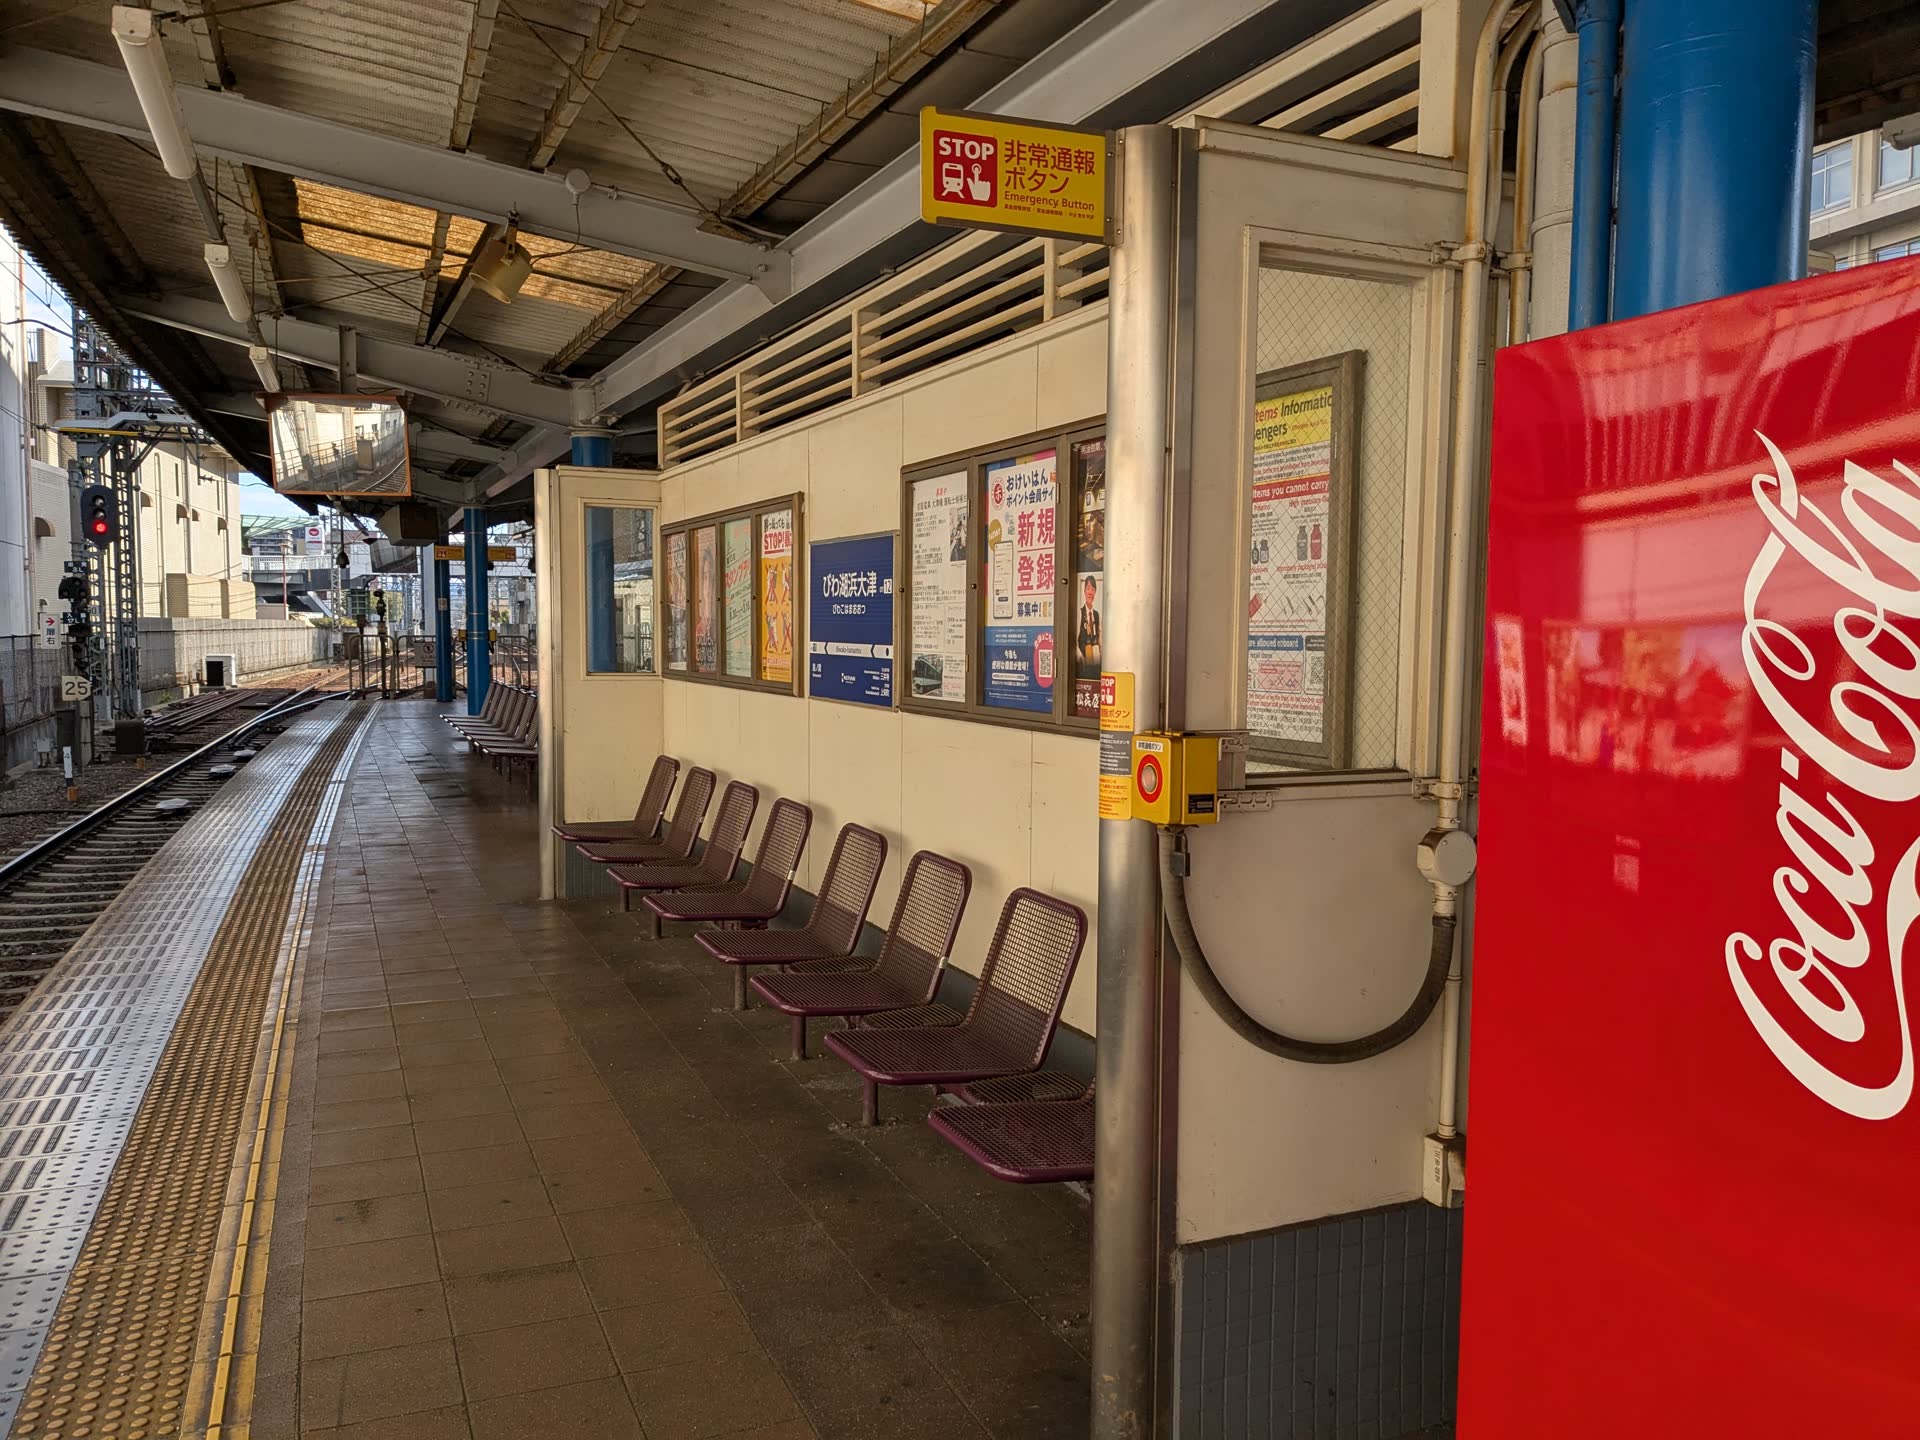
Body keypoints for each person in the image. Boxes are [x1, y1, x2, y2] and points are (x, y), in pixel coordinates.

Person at [1076, 575, 1101, 675]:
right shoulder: (1080, 613)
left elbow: (1099, 639)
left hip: (1096, 662)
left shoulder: (1097, 614)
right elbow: (1074, 641)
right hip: (1083, 665)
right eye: (1088, 588)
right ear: (1084, 591)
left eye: (1093, 589)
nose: (1090, 592)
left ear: (1095, 592)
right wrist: (1080, 657)